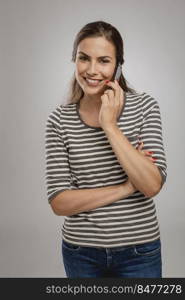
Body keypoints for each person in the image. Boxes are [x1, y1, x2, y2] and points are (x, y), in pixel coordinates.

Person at [44, 20, 167, 278]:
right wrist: (125, 187)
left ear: (118, 66)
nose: (91, 70)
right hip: (81, 252)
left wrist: (109, 125)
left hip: (139, 252)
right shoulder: (59, 120)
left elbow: (151, 185)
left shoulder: (145, 107)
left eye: (103, 60)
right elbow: (59, 201)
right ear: (74, 60)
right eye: (83, 58)